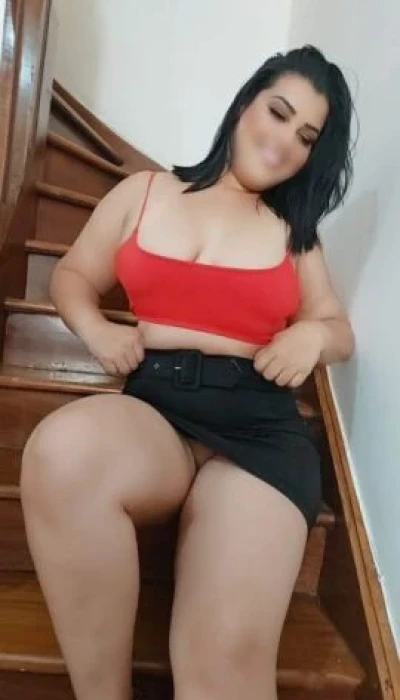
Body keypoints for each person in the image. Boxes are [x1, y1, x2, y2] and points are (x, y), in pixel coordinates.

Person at [21, 45, 356, 700]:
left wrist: (314, 335)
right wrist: (96, 329)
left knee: (221, 661)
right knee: (60, 453)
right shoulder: (143, 191)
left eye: (306, 136)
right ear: (245, 104)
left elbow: (337, 328)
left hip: (259, 433)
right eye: (279, 113)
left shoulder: (295, 231)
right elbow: (73, 274)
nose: (285, 141)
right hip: (156, 412)